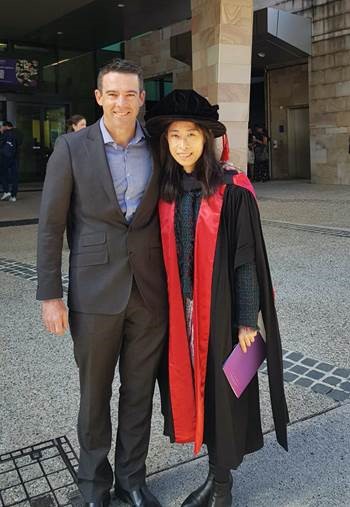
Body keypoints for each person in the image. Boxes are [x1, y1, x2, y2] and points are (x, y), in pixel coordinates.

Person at [145, 90, 289, 507]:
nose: (183, 144)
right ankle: (213, 477)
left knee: (223, 400)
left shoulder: (232, 189)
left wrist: (247, 320)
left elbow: (246, 261)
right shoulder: (167, 188)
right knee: (198, 397)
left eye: (191, 134)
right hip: (184, 316)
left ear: (207, 138)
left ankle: (221, 487)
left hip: (222, 315)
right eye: (174, 136)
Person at [36, 59, 168, 507]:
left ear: (141, 98)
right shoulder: (72, 148)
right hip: (93, 293)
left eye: (130, 94)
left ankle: (132, 479)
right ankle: (93, 487)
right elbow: (51, 227)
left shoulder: (159, 147)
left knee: (138, 393)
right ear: (98, 97)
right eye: (113, 94)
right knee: (94, 396)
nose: (121, 102)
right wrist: (50, 294)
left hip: (151, 292)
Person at [0, 121, 21, 202]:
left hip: (5, 158)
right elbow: (19, 144)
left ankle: (6, 191)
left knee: (2, 174)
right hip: (15, 158)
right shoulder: (18, 133)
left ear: (6, 126)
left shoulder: (5, 134)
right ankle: (13, 196)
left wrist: (1, 132)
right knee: (15, 177)